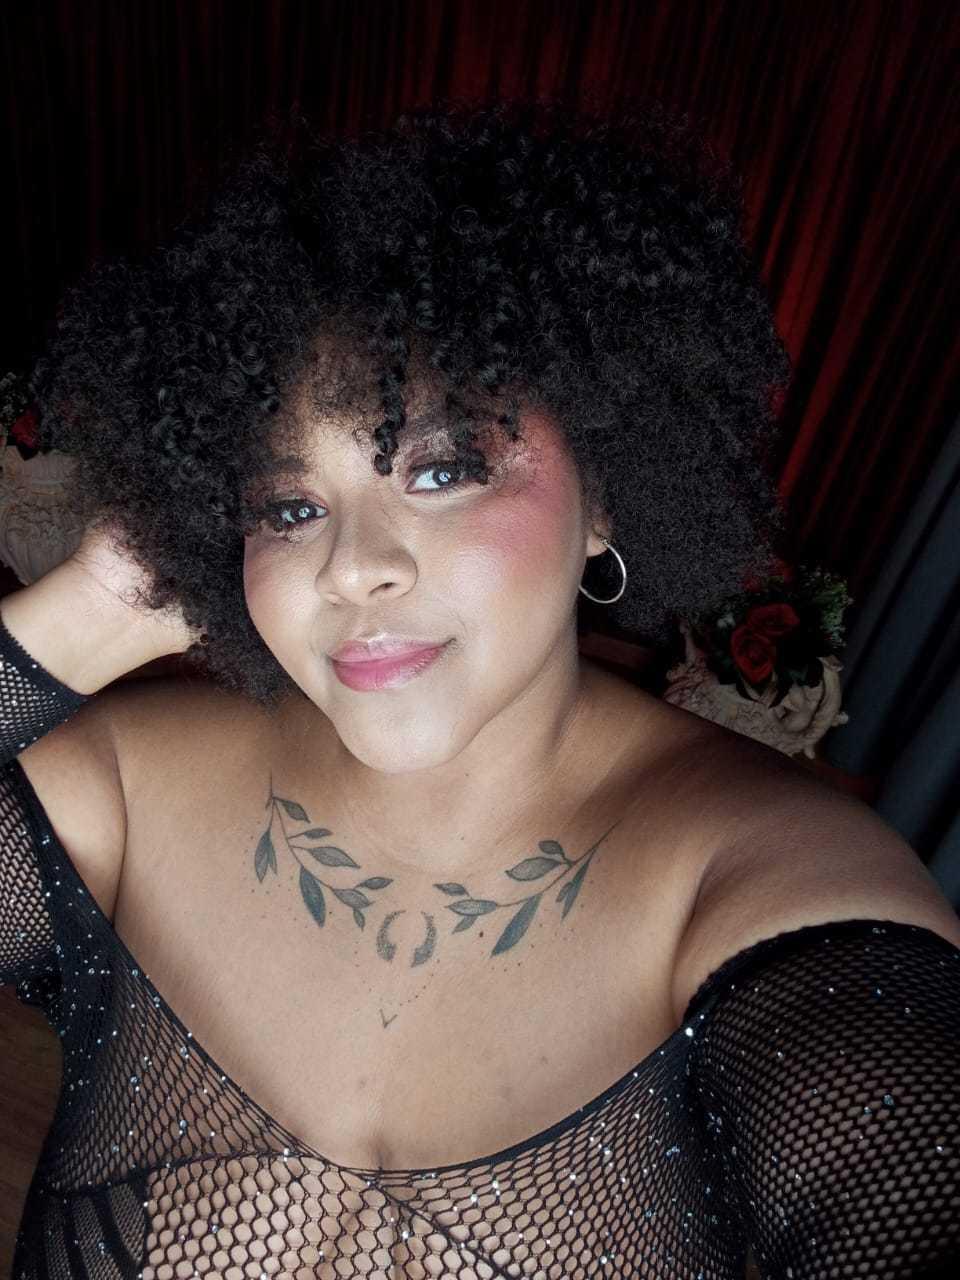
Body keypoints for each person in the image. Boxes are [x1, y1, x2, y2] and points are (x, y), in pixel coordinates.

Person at [2, 97, 958, 1278]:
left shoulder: (767, 892)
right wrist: (91, 610)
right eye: (288, 505)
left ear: (605, 493)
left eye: (442, 469)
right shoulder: (123, 792)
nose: (352, 565)